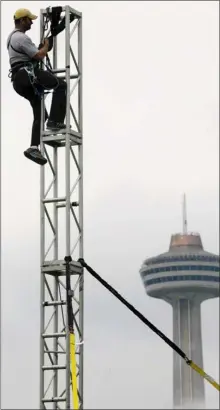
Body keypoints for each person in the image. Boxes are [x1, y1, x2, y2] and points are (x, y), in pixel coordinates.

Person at [7, 8, 67, 166]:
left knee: (40, 113)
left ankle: (33, 147)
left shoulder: (12, 37)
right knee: (61, 85)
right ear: (22, 20)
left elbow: (35, 53)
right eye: (29, 20)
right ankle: (55, 121)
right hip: (27, 75)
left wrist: (46, 44)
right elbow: (39, 55)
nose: (32, 22)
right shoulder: (21, 37)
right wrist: (45, 48)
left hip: (19, 80)